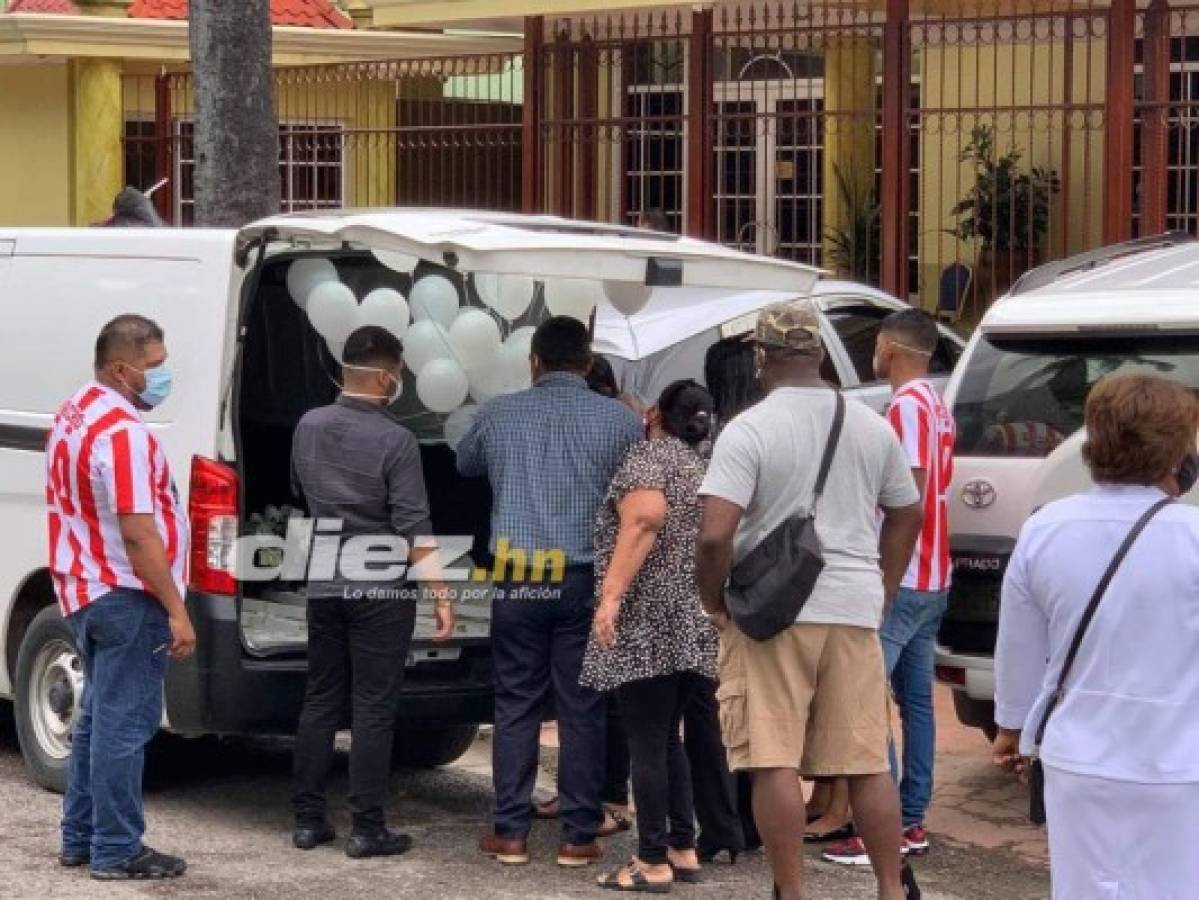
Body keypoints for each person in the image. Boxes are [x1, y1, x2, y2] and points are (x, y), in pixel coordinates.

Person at [696, 300, 924, 900]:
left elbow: (716, 533)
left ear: (761, 358)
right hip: (852, 607)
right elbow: (908, 510)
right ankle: (890, 890)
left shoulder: (748, 429)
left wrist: (714, 601)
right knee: (866, 760)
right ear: (820, 354)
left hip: (770, 613)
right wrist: (886, 584)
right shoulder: (870, 424)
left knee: (773, 759)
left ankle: (791, 892)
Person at [993, 373, 1199, 897]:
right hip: (1179, 762)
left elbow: (1019, 646)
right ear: (1176, 451)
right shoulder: (1193, 537)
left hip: (1078, 760)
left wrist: (1012, 727)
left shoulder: (1045, 528)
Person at [457, 316, 643, 868]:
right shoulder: (619, 423)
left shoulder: (497, 413)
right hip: (585, 578)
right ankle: (578, 836)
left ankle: (510, 833)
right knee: (582, 707)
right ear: (588, 364)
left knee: (515, 703)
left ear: (532, 361)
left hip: (518, 577)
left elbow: (465, 464)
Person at [290, 325, 454, 859]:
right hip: (380, 589)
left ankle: (308, 820)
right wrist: (440, 592)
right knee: (373, 707)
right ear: (386, 375)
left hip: (324, 579)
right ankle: (367, 827)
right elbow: (412, 522)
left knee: (320, 698)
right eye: (399, 371)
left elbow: (299, 491)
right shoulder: (396, 440)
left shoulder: (308, 425)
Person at [48, 315, 195, 880]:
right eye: (154, 367)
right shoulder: (124, 433)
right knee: (124, 726)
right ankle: (116, 848)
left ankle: (80, 837)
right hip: (125, 594)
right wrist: (177, 610)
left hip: (84, 586)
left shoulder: (76, 410)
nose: (162, 375)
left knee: (96, 721)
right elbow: (138, 531)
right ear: (120, 368)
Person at [823, 309, 957, 865]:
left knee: (866, 701)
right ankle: (912, 819)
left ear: (888, 348)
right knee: (917, 703)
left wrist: (884, 578)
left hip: (905, 576)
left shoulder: (906, 408)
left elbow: (910, 494)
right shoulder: (937, 403)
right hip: (935, 575)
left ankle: (890, 828)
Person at [581, 380, 719, 891]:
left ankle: (650, 860)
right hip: (691, 620)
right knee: (668, 737)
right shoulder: (701, 466)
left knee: (646, 741)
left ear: (656, 413)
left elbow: (643, 519)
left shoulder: (649, 458)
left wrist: (612, 596)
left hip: (647, 621)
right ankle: (682, 847)